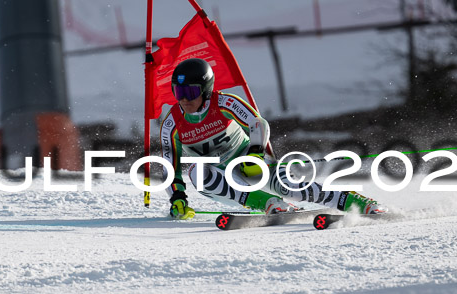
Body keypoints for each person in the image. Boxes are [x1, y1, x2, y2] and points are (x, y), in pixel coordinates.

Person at [159, 58, 388, 220]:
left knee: (291, 187)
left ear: (206, 90)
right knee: (198, 172)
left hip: (248, 164)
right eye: (179, 92)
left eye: (190, 92)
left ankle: (355, 202)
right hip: (220, 182)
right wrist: (177, 197)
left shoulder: (224, 103)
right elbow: (170, 165)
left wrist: (256, 154)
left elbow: (257, 124)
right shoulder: (172, 124)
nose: (184, 100)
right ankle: (267, 203)